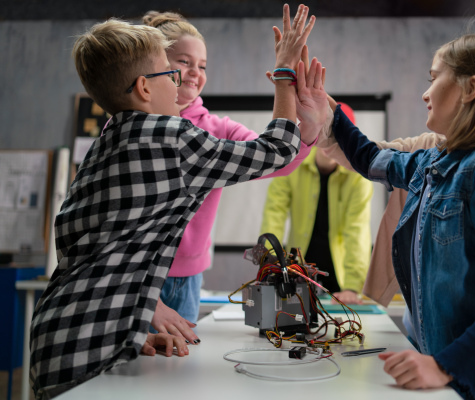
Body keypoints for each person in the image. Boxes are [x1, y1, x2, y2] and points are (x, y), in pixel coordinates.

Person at [30, 5, 327, 398]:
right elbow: (276, 149)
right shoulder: (172, 137)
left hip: (66, 332)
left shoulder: (110, 139)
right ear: (144, 87)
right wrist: (285, 73)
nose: (183, 80)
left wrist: (130, 328)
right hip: (89, 340)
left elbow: (95, 251)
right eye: (172, 71)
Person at [318, 32, 475, 399]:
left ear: (471, 89)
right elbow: (370, 159)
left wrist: (446, 366)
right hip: (444, 372)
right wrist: (329, 115)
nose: (426, 93)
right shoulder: (431, 163)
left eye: (433, 78)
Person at [141, 10, 318, 333]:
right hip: (137, 275)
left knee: (174, 372)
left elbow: (277, 159)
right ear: (155, 64)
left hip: (186, 279)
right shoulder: (134, 126)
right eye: (184, 62)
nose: (195, 73)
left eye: (203, 66)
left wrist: (308, 128)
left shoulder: (216, 128)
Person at [260, 103, 373, 304]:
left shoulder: (357, 177)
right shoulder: (294, 164)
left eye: (338, 137)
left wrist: (352, 287)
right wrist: (271, 265)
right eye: (326, 132)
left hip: (340, 275)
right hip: (298, 270)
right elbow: (274, 214)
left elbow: (356, 231)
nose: (330, 142)